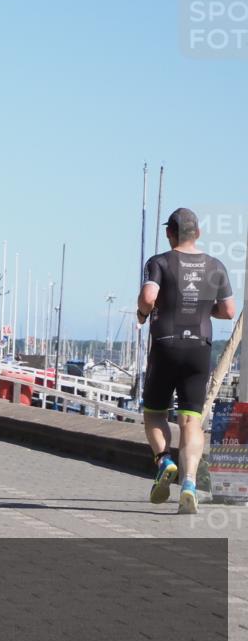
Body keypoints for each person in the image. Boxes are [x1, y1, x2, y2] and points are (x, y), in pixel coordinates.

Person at [139, 208, 235, 514]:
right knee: (192, 420)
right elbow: (229, 311)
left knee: (154, 413)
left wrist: (143, 314)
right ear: (199, 233)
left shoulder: (159, 262)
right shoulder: (216, 266)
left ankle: (164, 461)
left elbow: (147, 297)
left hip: (166, 344)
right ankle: (190, 482)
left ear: (170, 233)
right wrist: (207, 312)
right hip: (199, 348)